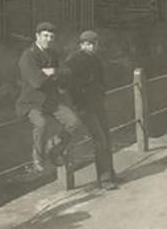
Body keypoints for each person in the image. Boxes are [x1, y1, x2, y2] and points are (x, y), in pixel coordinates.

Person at [16, 22, 81, 174]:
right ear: (37, 36)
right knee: (41, 124)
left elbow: (66, 73)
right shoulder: (28, 56)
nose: (48, 39)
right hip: (31, 102)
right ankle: (37, 159)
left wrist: (51, 71)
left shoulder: (53, 54)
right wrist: (52, 74)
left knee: (74, 122)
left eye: (51, 36)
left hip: (51, 100)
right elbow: (36, 82)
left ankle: (54, 148)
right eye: (45, 36)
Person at [61, 30, 117, 190]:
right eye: (86, 44)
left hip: (98, 103)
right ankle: (105, 179)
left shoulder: (96, 59)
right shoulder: (73, 61)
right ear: (81, 45)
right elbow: (66, 81)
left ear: (97, 45)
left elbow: (101, 80)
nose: (89, 47)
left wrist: (101, 92)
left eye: (92, 44)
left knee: (106, 135)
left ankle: (110, 173)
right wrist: (78, 100)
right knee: (100, 138)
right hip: (84, 106)